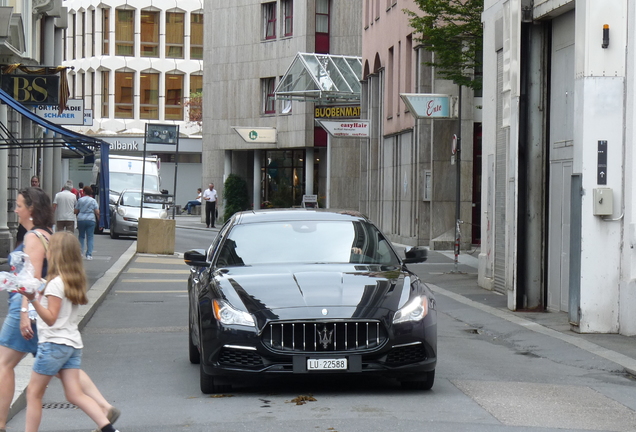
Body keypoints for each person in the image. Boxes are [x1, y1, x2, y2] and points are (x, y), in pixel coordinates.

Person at [0, 188, 119, 432]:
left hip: (41, 321)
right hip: (66, 338)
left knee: (15, 375)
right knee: (69, 382)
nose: (15, 209)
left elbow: (31, 279)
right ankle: (105, 414)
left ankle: (1, 423)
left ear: (31, 208)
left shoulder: (34, 239)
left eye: (19, 205)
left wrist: (27, 306)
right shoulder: (50, 241)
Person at [19, 232, 122, 432]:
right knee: (75, 395)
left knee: (33, 393)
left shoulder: (55, 284)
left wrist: (32, 298)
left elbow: (50, 318)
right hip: (71, 345)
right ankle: (109, 429)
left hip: (53, 345)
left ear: (57, 253)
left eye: (50, 247)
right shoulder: (70, 281)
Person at [75, 185, 100, 260]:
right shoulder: (93, 201)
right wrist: (99, 221)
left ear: (84, 192)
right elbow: (97, 212)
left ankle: (80, 253)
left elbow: (76, 210)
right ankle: (89, 254)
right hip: (91, 219)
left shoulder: (80, 200)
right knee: (90, 237)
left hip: (81, 219)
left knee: (81, 236)